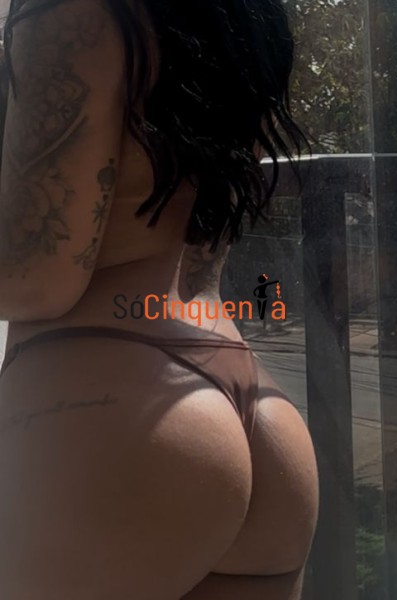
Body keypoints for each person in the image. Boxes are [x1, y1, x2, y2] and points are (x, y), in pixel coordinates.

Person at [0, 1, 319, 598]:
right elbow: (203, 237)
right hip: (248, 401)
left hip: (107, 414)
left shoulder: (68, 10)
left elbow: (35, 279)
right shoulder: (246, 11)